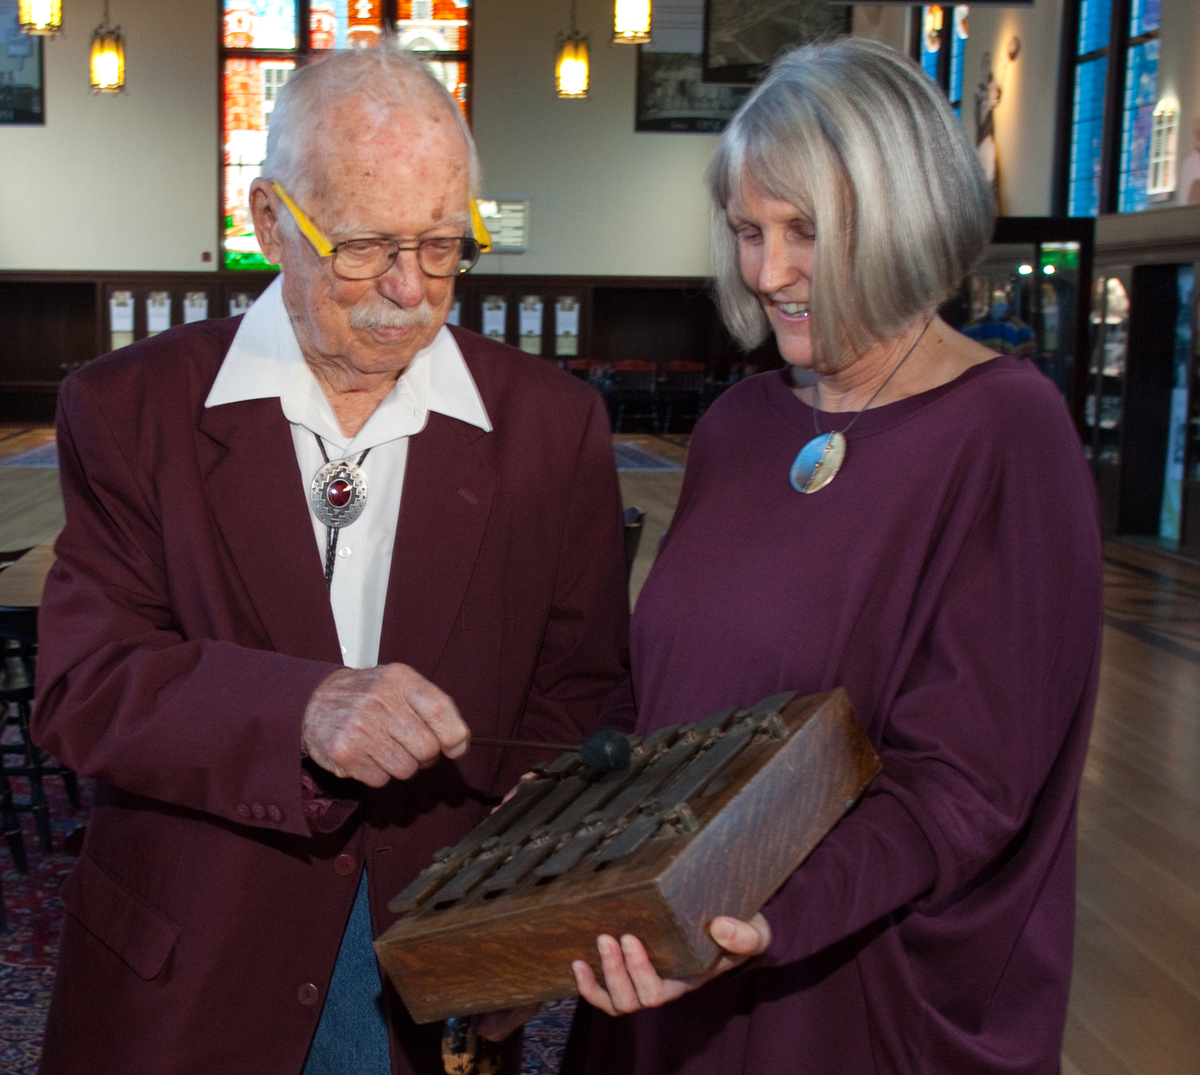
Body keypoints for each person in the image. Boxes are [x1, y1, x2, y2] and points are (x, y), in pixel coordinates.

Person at [32, 46, 628, 1075]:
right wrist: (302, 708)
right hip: (190, 963)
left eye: (444, 246)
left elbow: (577, 705)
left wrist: (523, 922)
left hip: (432, 961)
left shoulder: (551, 425)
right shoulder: (131, 409)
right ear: (271, 223)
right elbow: (89, 684)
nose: (408, 290)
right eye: (364, 246)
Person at [562, 37, 1102, 1075]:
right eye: (748, 231)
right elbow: (660, 690)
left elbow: (968, 786)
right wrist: (571, 818)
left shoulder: (1004, 431)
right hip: (680, 954)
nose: (769, 272)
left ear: (901, 213)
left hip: (851, 986)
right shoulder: (739, 425)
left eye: (807, 231)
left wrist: (765, 913)